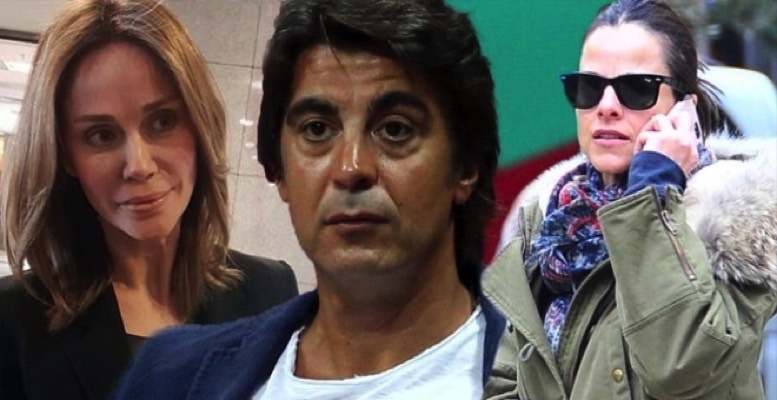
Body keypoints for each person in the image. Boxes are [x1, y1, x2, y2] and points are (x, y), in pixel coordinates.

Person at [114, 0, 505, 398]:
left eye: (395, 130)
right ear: (279, 169)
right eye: (317, 129)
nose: (351, 168)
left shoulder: (534, 377)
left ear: (466, 166)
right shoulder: (169, 377)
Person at [0, 1, 299, 399]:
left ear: (200, 125)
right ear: (65, 156)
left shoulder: (269, 292)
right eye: (101, 135)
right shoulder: (14, 322)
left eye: (162, 121)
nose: (138, 165)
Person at [484, 0, 777, 399]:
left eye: (637, 88)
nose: (606, 107)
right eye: (588, 88)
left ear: (685, 109)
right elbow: (502, 378)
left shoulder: (734, 219)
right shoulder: (546, 220)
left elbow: (676, 366)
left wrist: (650, 191)